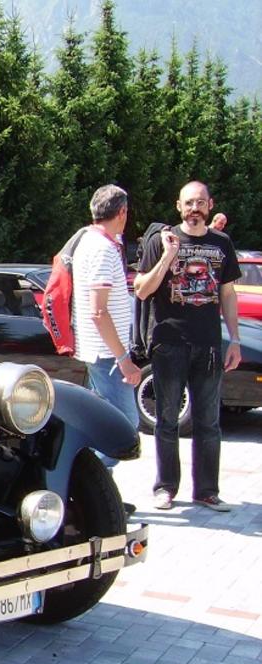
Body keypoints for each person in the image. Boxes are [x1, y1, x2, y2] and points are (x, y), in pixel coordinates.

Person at [134, 181, 241, 512]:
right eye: (189, 202)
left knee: (209, 422)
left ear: (210, 205)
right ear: (178, 206)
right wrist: (168, 256)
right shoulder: (162, 241)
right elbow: (141, 289)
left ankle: (207, 491)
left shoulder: (221, 243)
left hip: (208, 345)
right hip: (169, 344)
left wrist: (235, 340)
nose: (195, 208)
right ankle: (165, 487)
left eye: (200, 202)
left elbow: (228, 294)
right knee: (167, 420)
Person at [70, 186, 141, 468]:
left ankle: (94, 486)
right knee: (122, 429)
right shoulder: (102, 249)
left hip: (99, 352)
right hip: (107, 356)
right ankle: (88, 484)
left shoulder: (90, 241)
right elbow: (98, 312)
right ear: (122, 212)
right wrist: (124, 359)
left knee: (101, 426)